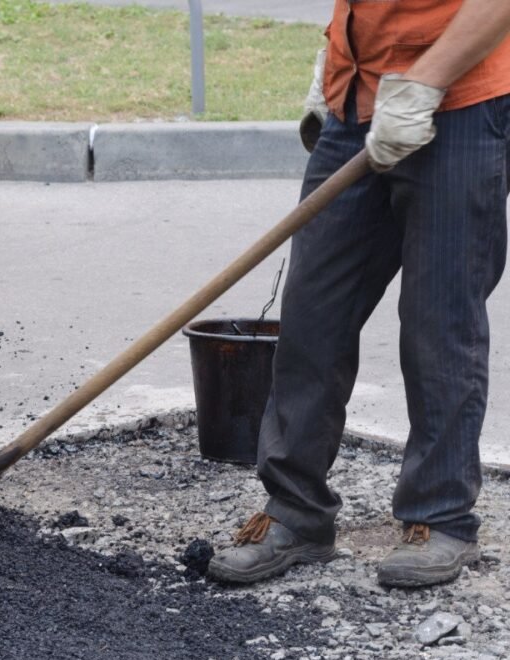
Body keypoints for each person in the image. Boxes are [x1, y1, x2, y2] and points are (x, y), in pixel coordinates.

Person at [209, 0, 510, 589]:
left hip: (463, 103)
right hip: (357, 99)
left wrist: (426, 82)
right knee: (311, 316)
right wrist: (335, 58)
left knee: (438, 324)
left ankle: (439, 518)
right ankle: (296, 512)